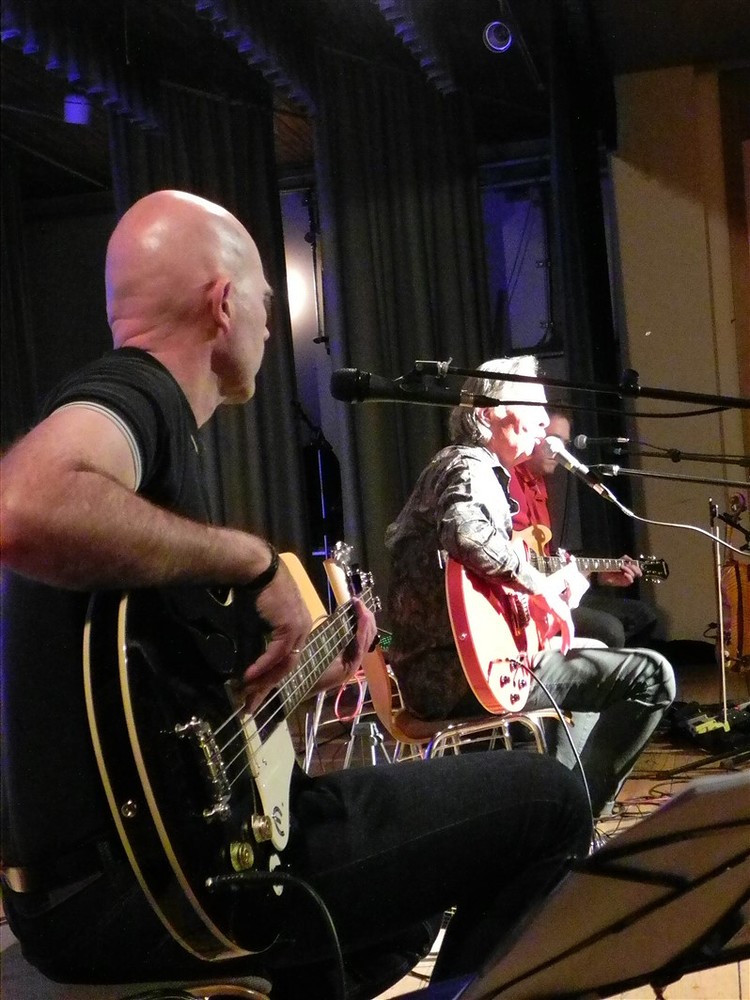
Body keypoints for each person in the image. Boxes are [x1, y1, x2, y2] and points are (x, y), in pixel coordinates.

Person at [1, 191, 592, 999]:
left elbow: (174, 726)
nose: (272, 329)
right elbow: (22, 506)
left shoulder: (141, 449)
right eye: (266, 304)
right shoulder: (140, 394)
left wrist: (295, 682)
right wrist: (255, 564)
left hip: (88, 896)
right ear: (223, 303)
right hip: (157, 891)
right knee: (549, 800)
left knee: (407, 915)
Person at [385, 357, 676, 822]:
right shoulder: (468, 466)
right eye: (534, 405)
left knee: (589, 653)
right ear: (490, 413)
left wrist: (551, 601)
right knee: (653, 676)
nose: (544, 420)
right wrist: (544, 588)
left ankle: (556, 814)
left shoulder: (468, 469)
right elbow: (468, 535)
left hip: (446, 669)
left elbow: (476, 585)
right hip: (455, 675)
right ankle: (571, 817)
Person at [510, 408, 661, 647]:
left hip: (548, 591)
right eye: (553, 440)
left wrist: (599, 574)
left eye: (564, 444)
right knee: (610, 630)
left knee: (643, 615)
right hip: (525, 600)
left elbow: (545, 562)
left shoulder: (540, 487)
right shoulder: (509, 479)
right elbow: (516, 555)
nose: (559, 451)